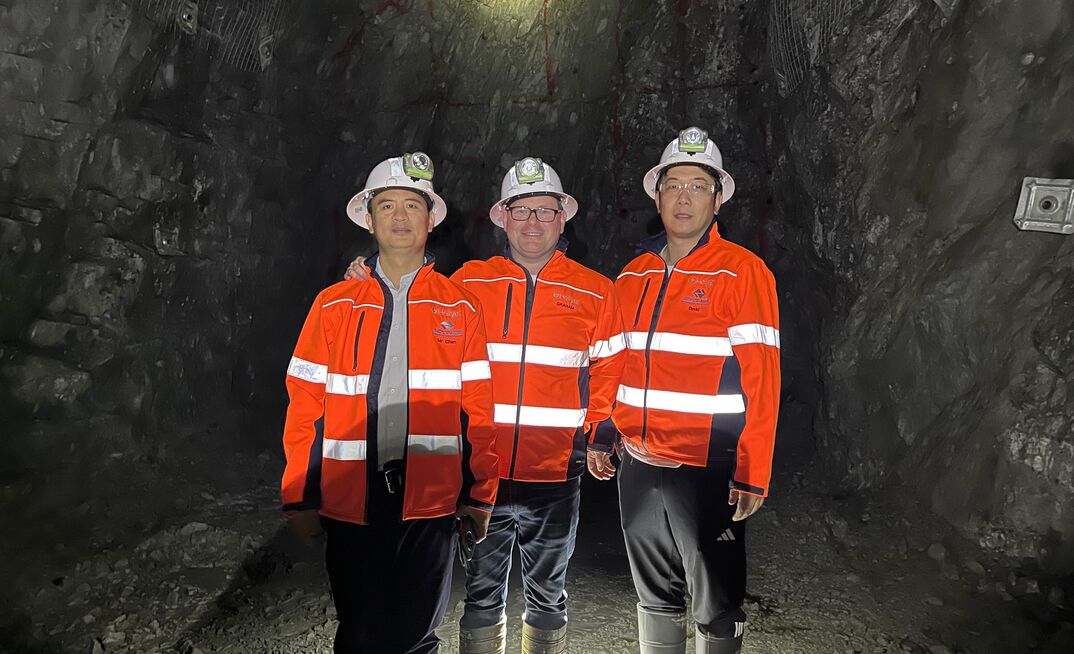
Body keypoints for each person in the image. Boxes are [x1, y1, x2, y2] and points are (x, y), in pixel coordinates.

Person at [345, 156, 626, 654]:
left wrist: (597, 431)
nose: (533, 222)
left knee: (548, 595)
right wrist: (365, 275)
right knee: (480, 594)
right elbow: (411, 295)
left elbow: (611, 366)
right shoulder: (469, 283)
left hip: (555, 475)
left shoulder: (596, 291)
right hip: (483, 476)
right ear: (502, 218)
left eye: (545, 210)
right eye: (522, 211)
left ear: (563, 218)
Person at [280, 152, 499, 654]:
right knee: (359, 633)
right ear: (369, 218)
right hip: (352, 499)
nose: (399, 217)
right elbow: (305, 403)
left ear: (430, 219)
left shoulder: (460, 307)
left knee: (417, 636)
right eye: (386, 206)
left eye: (411, 205)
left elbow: (479, 410)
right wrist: (299, 495)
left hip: (432, 500)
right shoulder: (334, 304)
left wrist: (480, 492)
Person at [593, 127, 781, 654]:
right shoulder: (634, 275)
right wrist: (604, 430)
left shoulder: (743, 273)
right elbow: (616, 363)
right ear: (657, 195)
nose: (683, 197)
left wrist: (753, 471)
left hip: (708, 465)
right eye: (674, 184)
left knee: (715, 599)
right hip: (638, 463)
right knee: (654, 595)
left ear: (717, 198)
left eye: (698, 185)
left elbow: (763, 380)